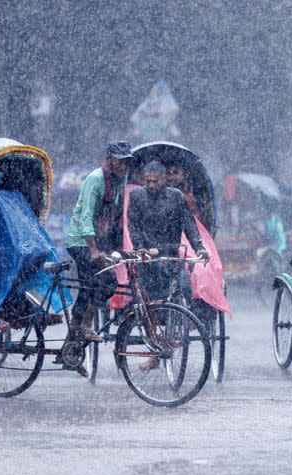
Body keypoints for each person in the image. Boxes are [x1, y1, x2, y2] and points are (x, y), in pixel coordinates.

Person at [63, 141, 131, 352]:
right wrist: (92, 249)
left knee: (89, 287)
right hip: (80, 240)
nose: (122, 166)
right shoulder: (96, 179)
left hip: (100, 240)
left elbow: (117, 217)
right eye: (119, 161)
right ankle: (84, 325)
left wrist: (120, 247)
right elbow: (86, 217)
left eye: (126, 162)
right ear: (109, 160)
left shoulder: (121, 180)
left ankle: (70, 346)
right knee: (105, 281)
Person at [127, 160, 210, 301]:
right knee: (145, 297)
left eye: (155, 181)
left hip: (171, 255)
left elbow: (189, 224)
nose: (151, 185)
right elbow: (133, 226)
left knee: (184, 285)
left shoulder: (176, 197)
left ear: (164, 179)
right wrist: (140, 247)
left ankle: (185, 317)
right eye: (147, 181)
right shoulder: (136, 196)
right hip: (146, 257)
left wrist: (199, 248)